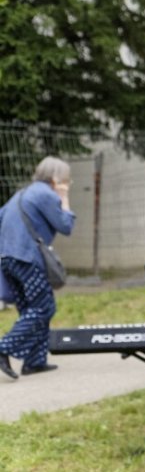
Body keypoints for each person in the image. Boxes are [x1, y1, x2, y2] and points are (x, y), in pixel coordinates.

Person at [0, 156, 75, 379]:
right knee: (44, 307)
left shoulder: (21, 193)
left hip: (8, 257)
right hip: (26, 257)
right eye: (67, 180)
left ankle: (35, 361)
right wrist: (64, 197)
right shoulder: (45, 194)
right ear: (56, 178)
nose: (67, 184)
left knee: (30, 307)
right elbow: (66, 225)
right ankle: (4, 347)